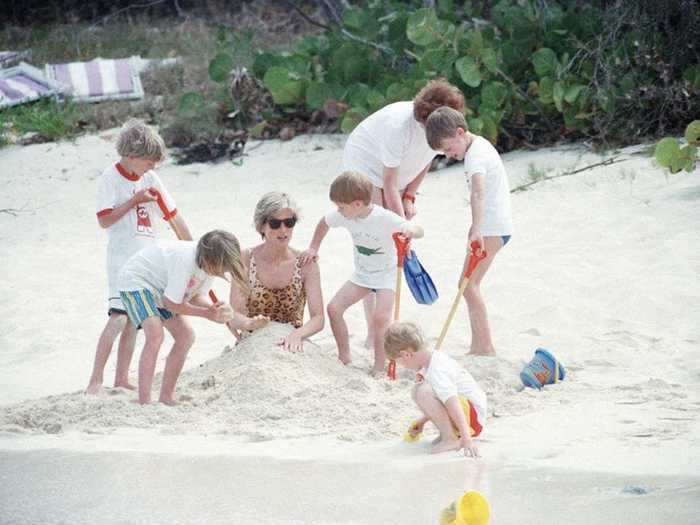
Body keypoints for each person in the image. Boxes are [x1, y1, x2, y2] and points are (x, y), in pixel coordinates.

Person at [342, 79, 464, 347]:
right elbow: (386, 184)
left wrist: (410, 195)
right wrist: (400, 225)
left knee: (391, 240)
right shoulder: (399, 128)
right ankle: (374, 334)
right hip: (365, 169)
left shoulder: (440, 130)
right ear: (423, 120)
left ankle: (382, 326)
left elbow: (427, 158)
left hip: (394, 178)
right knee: (376, 243)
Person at [87, 119, 193, 395]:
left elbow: (173, 216)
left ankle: (121, 378)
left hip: (147, 262)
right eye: (148, 161)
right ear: (130, 156)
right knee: (119, 317)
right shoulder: (110, 178)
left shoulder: (150, 178)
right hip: (122, 260)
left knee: (137, 321)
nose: (153, 167)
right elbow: (104, 221)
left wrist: (194, 250)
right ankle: (95, 379)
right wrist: (135, 201)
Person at [118, 230, 267, 405]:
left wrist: (214, 307)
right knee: (155, 334)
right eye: (221, 268)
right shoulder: (185, 261)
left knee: (186, 336)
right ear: (209, 259)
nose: (221, 273)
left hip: (162, 289)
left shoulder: (209, 267)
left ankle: (166, 396)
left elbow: (195, 296)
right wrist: (207, 314)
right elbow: (171, 303)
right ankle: (145, 401)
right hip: (137, 281)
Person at [300, 171, 423, 374]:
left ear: (357, 204)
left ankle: (379, 366)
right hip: (362, 275)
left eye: (341, 206)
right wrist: (313, 248)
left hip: (387, 275)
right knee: (334, 308)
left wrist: (411, 230)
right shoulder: (345, 215)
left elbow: (418, 230)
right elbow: (324, 223)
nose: (338, 211)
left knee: (381, 318)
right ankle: (344, 355)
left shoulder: (384, 218)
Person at [425, 106, 513, 356]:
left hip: (492, 229)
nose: (450, 155)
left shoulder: (476, 156)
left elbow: (478, 191)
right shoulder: (479, 146)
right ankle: (479, 346)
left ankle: (485, 348)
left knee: (469, 285)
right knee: (467, 284)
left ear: (460, 133)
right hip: (493, 226)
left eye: (449, 149)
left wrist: (476, 228)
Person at [228, 192, 324, 352]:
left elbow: (318, 318)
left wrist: (298, 335)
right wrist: (249, 324)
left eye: (289, 222)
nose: (283, 229)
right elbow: (234, 316)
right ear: (261, 226)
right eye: (275, 223)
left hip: (292, 343)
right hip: (253, 345)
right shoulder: (244, 259)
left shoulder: (306, 264)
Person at [384, 321, 487, 457]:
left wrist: (466, 438)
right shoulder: (430, 363)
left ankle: (450, 439)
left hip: (472, 420)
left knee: (423, 391)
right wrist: (423, 421)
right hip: (468, 415)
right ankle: (448, 435)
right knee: (418, 391)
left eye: (400, 362)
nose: (403, 366)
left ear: (406, 355)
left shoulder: (437, 369)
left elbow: (452, 401)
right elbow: (441, 399)